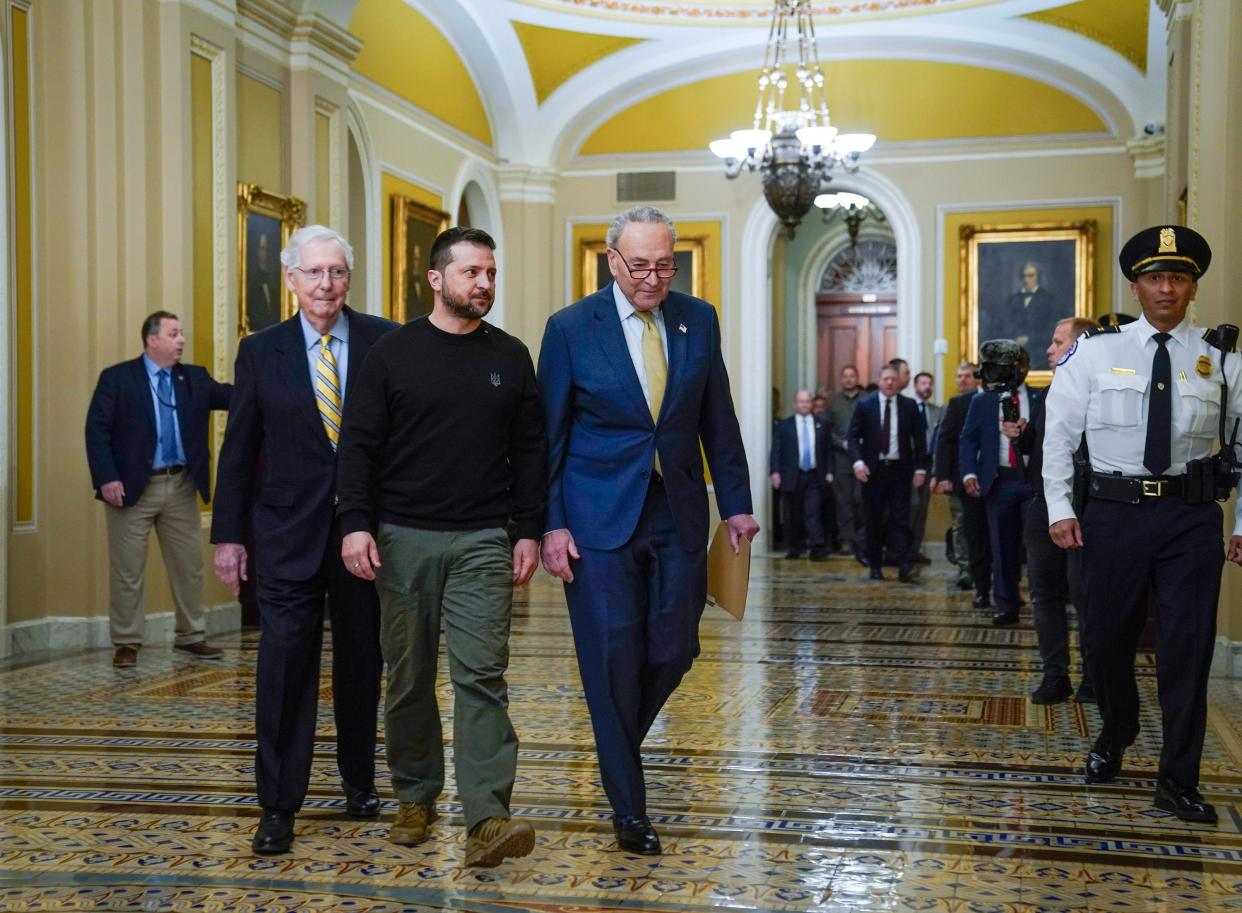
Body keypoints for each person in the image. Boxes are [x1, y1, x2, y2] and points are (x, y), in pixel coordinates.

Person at [538, 206, 758, 856]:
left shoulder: (698, 318)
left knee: (675, 644)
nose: (653, 278)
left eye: (666, 264)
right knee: (612, 659)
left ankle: (616, 740)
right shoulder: (571, 329)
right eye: (640, 265)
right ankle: (629, 810)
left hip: (677, 508)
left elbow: (717, 417)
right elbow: (547, 438)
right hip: (595, 516)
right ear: (613, 261)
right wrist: (549, 523)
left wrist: (738, 502)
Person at [335, 227, 545, 867]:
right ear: (436, 278)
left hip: (484, 537)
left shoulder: (510, 356)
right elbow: (359, 446)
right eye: (471, 273)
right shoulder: (392, 355)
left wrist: (529, 529)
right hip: (402, 538)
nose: (483, 283)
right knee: (408, 676)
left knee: (481, 675)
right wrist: (355, 522)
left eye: (490, 273)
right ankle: (416, 796)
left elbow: (532, 450)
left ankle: (487, 816)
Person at [1044, 225, 1242, 823]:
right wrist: (1060, 506)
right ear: (1136, 286)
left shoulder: (1224, 357)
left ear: (1192, 287)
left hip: (1190, 518)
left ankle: (1178, 779)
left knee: (1188, 650)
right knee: (1105, 640)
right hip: (1113, 515)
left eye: (1177, 277)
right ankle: (1118, 729)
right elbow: (1059, 431)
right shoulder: (1099, 351)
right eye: (1155, 277)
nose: (1166, 288)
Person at [210, 225, 399, 855]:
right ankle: (279, 804)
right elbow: (239, 450)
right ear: (291, 280)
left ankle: (359, 782)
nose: (327, 284)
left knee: (360, 662)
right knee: (285, 666)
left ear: (349, 278)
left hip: (363, 534)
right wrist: (229, 537)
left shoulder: (384, 341)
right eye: (315, 273)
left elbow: (399, 444)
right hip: (285, 535)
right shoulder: (261, 350)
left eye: (338, 272)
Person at [85, 311, 232, 668]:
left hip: (180, 484)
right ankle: (127, 641)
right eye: (174, 333)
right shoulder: (118, 378)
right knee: (128, 570)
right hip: (132, 488)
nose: (181, 339)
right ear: (152, 340)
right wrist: (106, 477)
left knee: (189, 565)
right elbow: (96, 431)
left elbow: (235, 397)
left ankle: (191, 636)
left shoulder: (193, 378)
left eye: (182, 332)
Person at [1016, 317, 1097, 704]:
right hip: (1043, 506)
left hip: (1088, 509)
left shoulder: (1101, 390)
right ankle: (1055, 676)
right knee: (1044, 595)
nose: (1048, 349)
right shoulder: (1046, 393)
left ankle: (1095, 677)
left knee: (1087, 597)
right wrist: (1020, 433)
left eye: (1057, 341)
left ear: (1080, 346)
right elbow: (1040, 447)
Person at [960, 348, 1042, 626]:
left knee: (1038, 545)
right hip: (1000, 481)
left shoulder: (1040, 397)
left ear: (1023, 368)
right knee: (1002, 546)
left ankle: (1044, 598)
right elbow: (968, 439)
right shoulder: (983, 401)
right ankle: (1006, 605)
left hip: (1034, 481)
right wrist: (969, 472)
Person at [846, 364, 927, 582]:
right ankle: (875, 565)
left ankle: (903, 566)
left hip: (900, 471)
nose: (890, 382)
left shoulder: (909, 406)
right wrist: (858, 463)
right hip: (873, 471)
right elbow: (852, 438)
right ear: (879, 380)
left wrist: (921, 468)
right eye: (886, 379)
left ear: (899, 382)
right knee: (873, 520)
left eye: (893, 379)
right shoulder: (865, 405)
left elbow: (919, 441)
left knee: (900, 519)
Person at [932, 362, 988, 599]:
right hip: (958, 476)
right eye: (959, 376)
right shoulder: (955, 404)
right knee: (960, 524)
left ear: (977, 378)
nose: (963, 380)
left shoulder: (989, 400)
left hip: (987, 475)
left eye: (968, 376)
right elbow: (943, 441)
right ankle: (966, 568)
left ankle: (986, 570)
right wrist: (942, 475)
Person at [770, 389, 832, 560]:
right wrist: (775, 472)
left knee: (813, 511)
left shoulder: (822, 424)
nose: (804, 404)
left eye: (807, 401)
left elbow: (828, 451)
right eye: (801, 401)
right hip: (791, 475)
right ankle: (794, 548)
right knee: (792, 513)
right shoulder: (784, 426)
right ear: (795, 404)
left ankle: (816, 547)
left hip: (814, 475)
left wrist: (830, 471)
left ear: (811, 404)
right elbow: (776, 451)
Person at [826, 365, 865, 560]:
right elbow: (826, 429)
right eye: (845, 376)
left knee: (862, 501)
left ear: (857, 378)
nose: (849, 379)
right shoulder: (833, 402)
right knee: (844, 503)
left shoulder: (867, 399)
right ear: (841, 379)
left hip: (863, 459)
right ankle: (846, 541)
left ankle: (862, 541)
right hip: (840, 460)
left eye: (852, 376)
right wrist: (840, 442)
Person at [909, 371, 942, 563]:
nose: (927, 387)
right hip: (911, 464)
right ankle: (902, 549)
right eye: (923, 383)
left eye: (929, 383)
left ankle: (915, 549)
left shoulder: (937, 411)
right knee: (909, 507)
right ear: (915, 386)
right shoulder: (907, 407)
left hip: (929, 463)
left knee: (922, 509)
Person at [993, 262, 1060, 351]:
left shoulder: (1050, 300)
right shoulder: (1011, 300)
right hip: (1014, 351)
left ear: (1038, 277)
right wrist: (1015, 338)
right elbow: (1003, 326)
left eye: (1031, 276)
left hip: (1040, 353)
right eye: (1024, 276)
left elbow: (1053, 329)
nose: (1026, 279)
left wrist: (1030, 339)